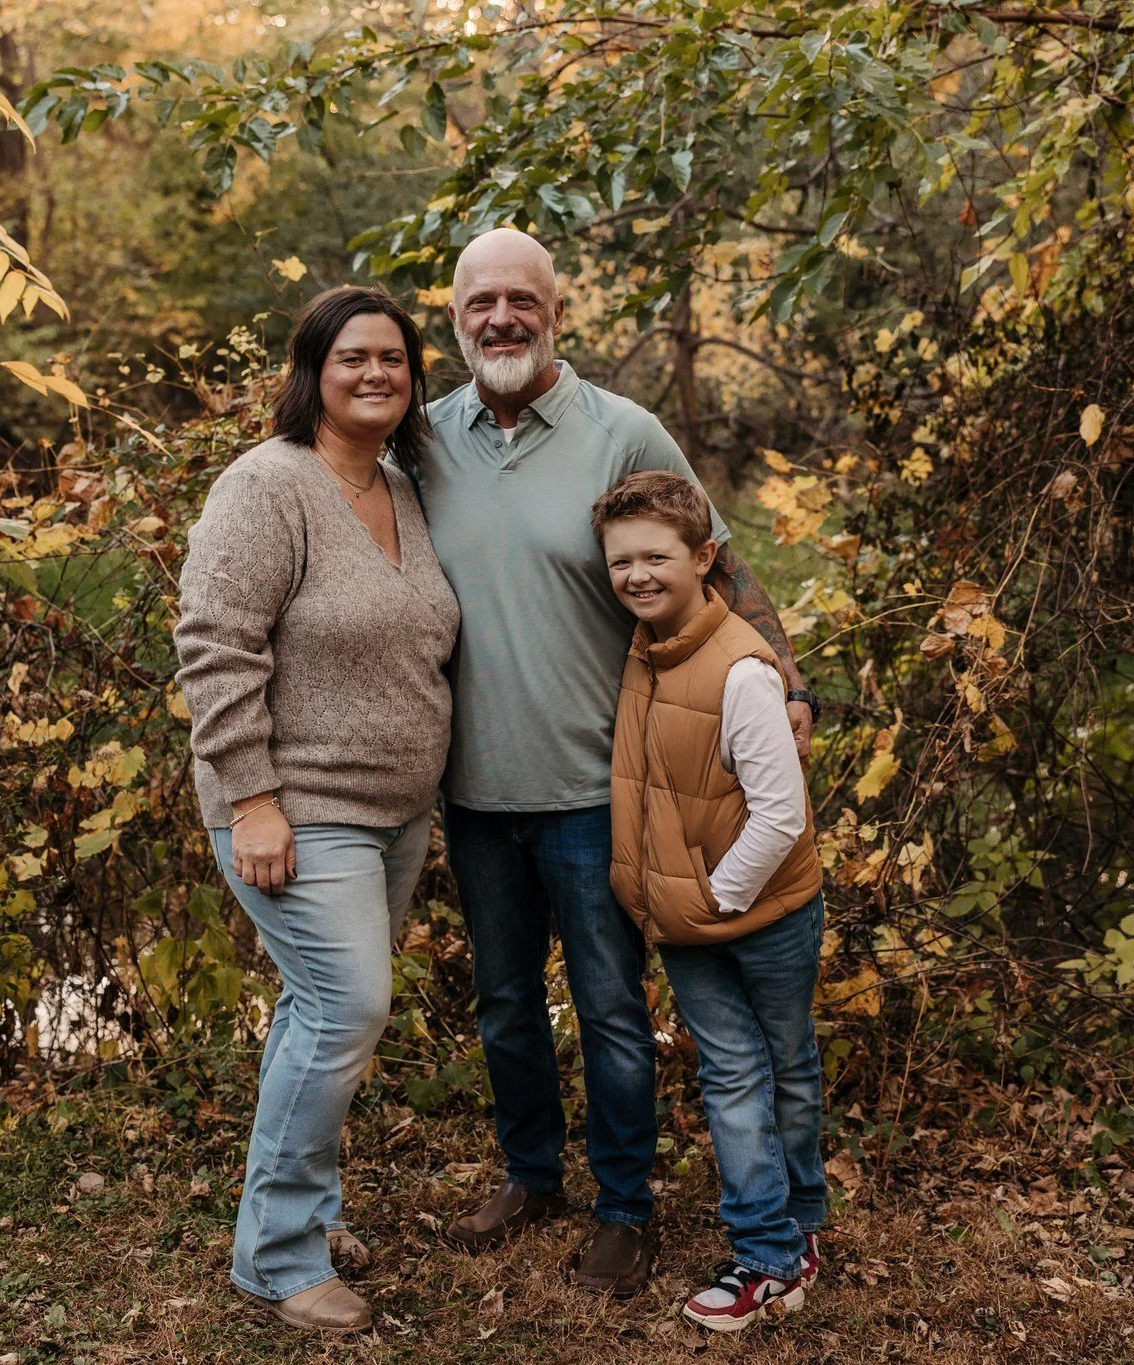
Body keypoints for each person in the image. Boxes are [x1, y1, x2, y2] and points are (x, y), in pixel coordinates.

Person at [420, 228, 818, 1297]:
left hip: (602, 789)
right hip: (473, 790)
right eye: (478, 304)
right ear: (453, 318)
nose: (499, 319)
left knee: (608, 1010)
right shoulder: (422, 440)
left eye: (520, 300)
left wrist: (784, 682)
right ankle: (528, 1176)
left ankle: (624, 1208)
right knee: (503, 1003)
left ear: (557, 314)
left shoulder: (620, 431)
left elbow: (717, 565)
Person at [173, 286, 462, 1333]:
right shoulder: (267, 485)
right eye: (353, 358)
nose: (375, 374)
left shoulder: (403, 487)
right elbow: (213, 646)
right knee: (347, 1009)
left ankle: (299, 1213)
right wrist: (251, 799)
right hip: (293, 806)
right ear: (312, 372)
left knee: (319, 1013)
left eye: (393, 358)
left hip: (394, 811)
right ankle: (278, 1258)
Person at [594, 470, 827, 1332]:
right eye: (622, 561)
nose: (638, 575)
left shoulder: (741, 672)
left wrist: (712, 896)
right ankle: (770, 1246)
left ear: (705, 559)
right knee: (735, 1076)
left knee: (789, 1068)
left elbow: (781, 813)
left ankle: (792, 1235)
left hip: (762, 913)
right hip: (691, 921)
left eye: (656, 556)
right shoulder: (644, 649)